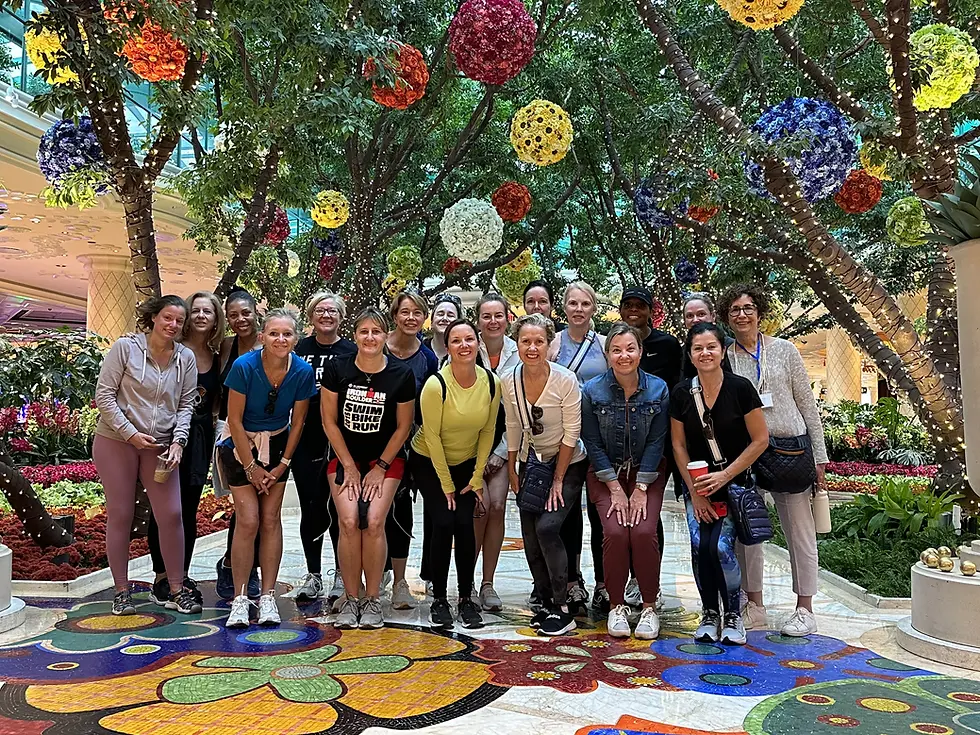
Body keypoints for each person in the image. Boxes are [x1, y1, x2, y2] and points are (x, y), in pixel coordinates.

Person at [719, 284, 829, 637]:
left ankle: (805, 607)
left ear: (759, 312)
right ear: (727, 317)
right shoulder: (726, 357)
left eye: (747, 307)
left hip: (790, 451)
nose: (742, 315)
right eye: (734, 310)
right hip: (748, 452)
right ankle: (754, 605)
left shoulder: (784, 351)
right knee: (748, 533)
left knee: (799, 531)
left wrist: (820, 457)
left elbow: (807, 405)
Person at [93, 295, 201, 616]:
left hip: (160, 446)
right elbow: (104, 395)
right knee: (121, 514)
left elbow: (186, 404)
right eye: (167, 318)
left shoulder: (186, 358)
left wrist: (179, 441)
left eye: (179, 321)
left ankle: (177, 589)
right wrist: (130, 433)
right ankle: (122, 591)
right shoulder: (125, 349)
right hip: (116, 441)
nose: (173, 325)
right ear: (154, 318)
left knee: (171, 515)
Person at [670, 322, 769, 645]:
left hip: (733, 483)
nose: (705, 353)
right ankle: (709, 612)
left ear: (722, 350)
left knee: (722, 548)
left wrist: (725, 475)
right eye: (698, 348)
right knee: (700, 548)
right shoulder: (682, 393)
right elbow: (679, 445)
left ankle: (733, 614)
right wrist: (695, 493)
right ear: (690, 354)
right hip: (696, 487)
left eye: (711, 346)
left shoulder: (741, 389)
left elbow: (760, 440)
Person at [220, 309, 316, 628]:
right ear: (262, 336)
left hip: (277, 446)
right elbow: (233, 419)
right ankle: (240, 598)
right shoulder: (244, 366)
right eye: (274, 333)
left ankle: (268, 597)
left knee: (271, 520)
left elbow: (299, 421)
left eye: (286, 334)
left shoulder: (302, 371)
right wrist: (251, 466)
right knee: (248, 520)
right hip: (239, 444)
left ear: (296, 339)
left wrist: (282, 463)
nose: (280, 339)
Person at [321, 308, 416, 630]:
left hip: (385, 460)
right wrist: (349, 466)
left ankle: (373, 598)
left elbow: (404, 427)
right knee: (348, 521)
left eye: (377, 332)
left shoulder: (401, 375)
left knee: (374, 521)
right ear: (355, 335)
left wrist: (380, 469)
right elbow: (328, 421)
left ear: (386, 335)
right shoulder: (338, 369)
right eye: (364, 332)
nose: (370, 338)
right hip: (345, 458)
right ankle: (350, 597)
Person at [581, 323, 669, 639]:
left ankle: (648, 607)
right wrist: (616, 489)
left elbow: (658, 441)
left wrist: (641, 487)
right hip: (606, 475)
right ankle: (616, 605)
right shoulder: (592, 391)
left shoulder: (659, 389)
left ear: (640, 352)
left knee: (644, 531)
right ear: (607, 355)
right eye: (616, 350)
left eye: (630, 348)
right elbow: (591, 442)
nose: (624, 355)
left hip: (648, 472)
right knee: (616, 532)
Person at [412, 319, 502, 629]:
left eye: (469, 339)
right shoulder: (436, 384)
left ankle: (466, 597)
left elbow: (489, 431)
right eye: (456, 341)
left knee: (466, 522)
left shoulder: (491, 382)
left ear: (478, 343)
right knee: (443, 520)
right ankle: (439, 598)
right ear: (447, 347)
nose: (463, 346)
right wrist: (447, 485)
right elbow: (433, 437)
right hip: (428, 461)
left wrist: (477, 477)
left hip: (466, 463)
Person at [503, 314, 589, 636]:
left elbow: (572, 432)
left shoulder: (565, 381)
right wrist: (513, 466)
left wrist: (558, 479)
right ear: (517, 343)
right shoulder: (509, 381)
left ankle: (562, 605)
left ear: (550, 343)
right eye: (526, 341)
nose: (532, 347)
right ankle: (544, 600)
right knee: (530, 536)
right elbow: (513, 425)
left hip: (567, 464)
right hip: (530, 463)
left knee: (548, 527)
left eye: (539, 341)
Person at [147, 291, 224, 607]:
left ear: (215, 318)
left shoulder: (218, 355)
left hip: (199, 438)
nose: (202, 316)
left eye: (209, 311)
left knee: (188, 506)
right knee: (163, 506)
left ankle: (182, 572)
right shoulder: (172, 350)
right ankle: (161, 576)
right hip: (166, 434)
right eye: (196, 310)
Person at [619, 285, 683, 606]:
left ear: (649, 310)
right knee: (622, 516)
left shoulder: (668, 346)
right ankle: (625, 578)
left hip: (658, 447)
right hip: (620, 447)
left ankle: (648, 580)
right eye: (628, 305)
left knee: (648, 515)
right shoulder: (615, 343)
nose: (634, 311)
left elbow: (677, 393)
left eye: (639, 306)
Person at [292, 291, 356, 604]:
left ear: (341, 317)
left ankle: (341, 574)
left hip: (342, 440)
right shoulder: (298, 349)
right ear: (311, 315)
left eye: (332, 311)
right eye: (320, 310)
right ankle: (313, 573)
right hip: (305, 438)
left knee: (339, 507)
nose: (326, 315)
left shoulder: (352, 351)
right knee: (312, 506)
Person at [550, 282, 608, 615]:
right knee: (567, 514)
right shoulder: (554, 344)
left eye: (585, 303)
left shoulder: (602, 345)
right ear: (564, 307)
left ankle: (603, 583)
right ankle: (572, 582)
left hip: (598, 437)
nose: (579, 309)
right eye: (572, 303)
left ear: (594, 308)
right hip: (565, 440)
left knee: (599, 514)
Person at [385, 291, 439, 610]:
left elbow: (429, 403)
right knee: (374, 511)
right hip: (375, 439)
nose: (410, 318)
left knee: (403, 509)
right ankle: (377, 572)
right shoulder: (379, 347)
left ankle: (402, 581)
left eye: (417, 313)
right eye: (405, 312)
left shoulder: (428, 358)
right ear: (395, 315)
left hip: (412, 443)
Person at [215, 289, 262, 601]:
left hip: (266, 435)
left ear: (255, 312)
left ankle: (244, 566)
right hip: (230, 435)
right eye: (233, 315)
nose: (240, 320)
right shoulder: (226, 347)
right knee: (244, 507)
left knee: (260, 509)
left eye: (245, 313)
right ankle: (234, 564)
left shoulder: (270, 343)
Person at [474, 293, 520, 611]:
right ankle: (466, 579)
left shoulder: (518, 356)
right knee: (480, 507)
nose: (492, 321)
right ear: (478, 320)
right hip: (468, 446)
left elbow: (518, 413)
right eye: (486, 316)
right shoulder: (463, 346)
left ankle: (487, 583)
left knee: (498, 507)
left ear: (507, 319)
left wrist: (501, 453)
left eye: (498, 316)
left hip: (505, 444)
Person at [681, 293, 733, 379]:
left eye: (701, 314)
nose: (695, 320)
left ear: (713, 316)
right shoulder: (682, 352)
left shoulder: (731, 346)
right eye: (690, 316)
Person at [424, 293, 463, 366]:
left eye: (450, 315)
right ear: (432, 321)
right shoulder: (420, 350)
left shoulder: (463, 351)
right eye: (440, 314)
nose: (445, 318)